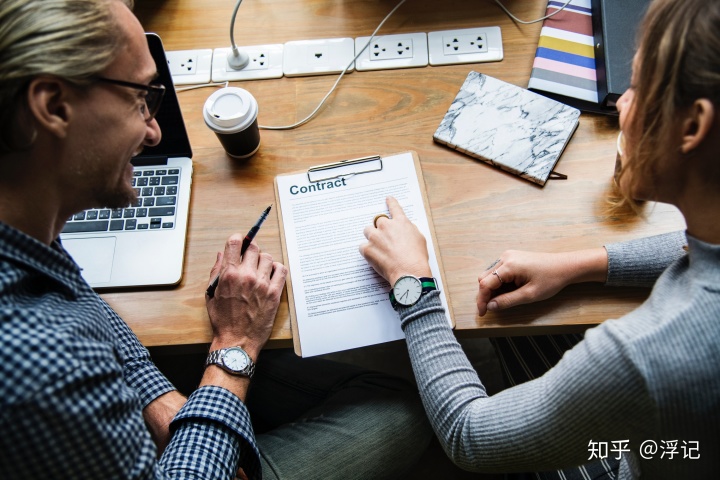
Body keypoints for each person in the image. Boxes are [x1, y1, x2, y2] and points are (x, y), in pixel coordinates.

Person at [0, 0, 430, 478]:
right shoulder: (40, 367)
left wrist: (156, 396)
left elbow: (74, 298)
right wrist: (234, 347)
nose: (153, 131)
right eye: (139, 99)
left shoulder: (22, 222)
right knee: (409, 406)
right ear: (53, 106)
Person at [359, 0, 720, 478]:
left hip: (658, 454)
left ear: (693, 126)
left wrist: (414, 286)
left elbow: (471, 436)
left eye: (638, 86)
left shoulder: (642, 356)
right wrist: (580, 265)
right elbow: (700, 250)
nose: (620, 104)